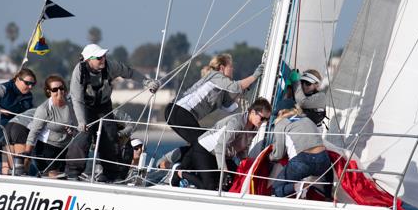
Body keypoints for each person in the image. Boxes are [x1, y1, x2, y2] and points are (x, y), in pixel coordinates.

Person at [66, 43, 160, 181]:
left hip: (103, 106)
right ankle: (73, 173)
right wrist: (81, 121)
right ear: (88, 60)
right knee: (83, 136)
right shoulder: (79, 72)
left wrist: (147, 82)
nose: (103, 59)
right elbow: (77, 99)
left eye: (103, 56)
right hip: (83, 106)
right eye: (98, 57)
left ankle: (110, 174)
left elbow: (130, 72)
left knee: (110, 137)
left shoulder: (110, 66)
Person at [173, 97, 272, 190]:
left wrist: (244, 163)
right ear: (253, 112)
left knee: (235, 181)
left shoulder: (255, 128)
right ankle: (180, 173)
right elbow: (220, 145)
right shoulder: (237, 123)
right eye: (263, 118)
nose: (264, 122)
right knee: (209, 186)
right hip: (205, 150)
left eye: (267, 119)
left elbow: (243, 148)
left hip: (222, 154)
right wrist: (223, 170)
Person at [165, 53, 264, 145]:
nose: (232, 69)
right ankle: (172, 161)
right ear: (221, 68)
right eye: (230, 67)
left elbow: (228, 107)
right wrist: (255, 76)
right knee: (202, 143)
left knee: (200, 142)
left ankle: (175, 162)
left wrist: (242, 92)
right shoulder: (215, 75)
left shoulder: (221, 89)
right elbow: (235, 86)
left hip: (181, 114)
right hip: (179, 111)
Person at [269, 108, 333, 199]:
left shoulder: (281, 123)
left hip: (302, 162)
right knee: (326, 172)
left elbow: (278, 155)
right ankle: (328, 196)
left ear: (280, 113)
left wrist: (270, 157)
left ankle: (298, 186)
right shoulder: (307, 119)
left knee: (276, 190)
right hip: (323, 161)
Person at [24, 75, 77, 178]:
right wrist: (27, 153)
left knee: (67, 176)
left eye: (61, 88)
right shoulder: (44, 109)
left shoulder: (71, 105)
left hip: (66, 147)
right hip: (46, 148)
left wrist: (72, 129)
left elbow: (76, 124)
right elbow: (34, 132)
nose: (59, 92)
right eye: (55, 89)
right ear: (49, 92)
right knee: (54, 176)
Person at [0, 68, 36, 172]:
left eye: (33, 84)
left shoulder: (29, 97)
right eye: (27, 83)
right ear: (17, 79)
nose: (30, 87)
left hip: (7, 138)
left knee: (9, 169)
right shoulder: (3, 88)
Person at [1, 108, 36, 175]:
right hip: (21, 127)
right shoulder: (50, 111)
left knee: (8, 168)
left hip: (8, 126)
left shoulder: (34, 109)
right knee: (21, 169)